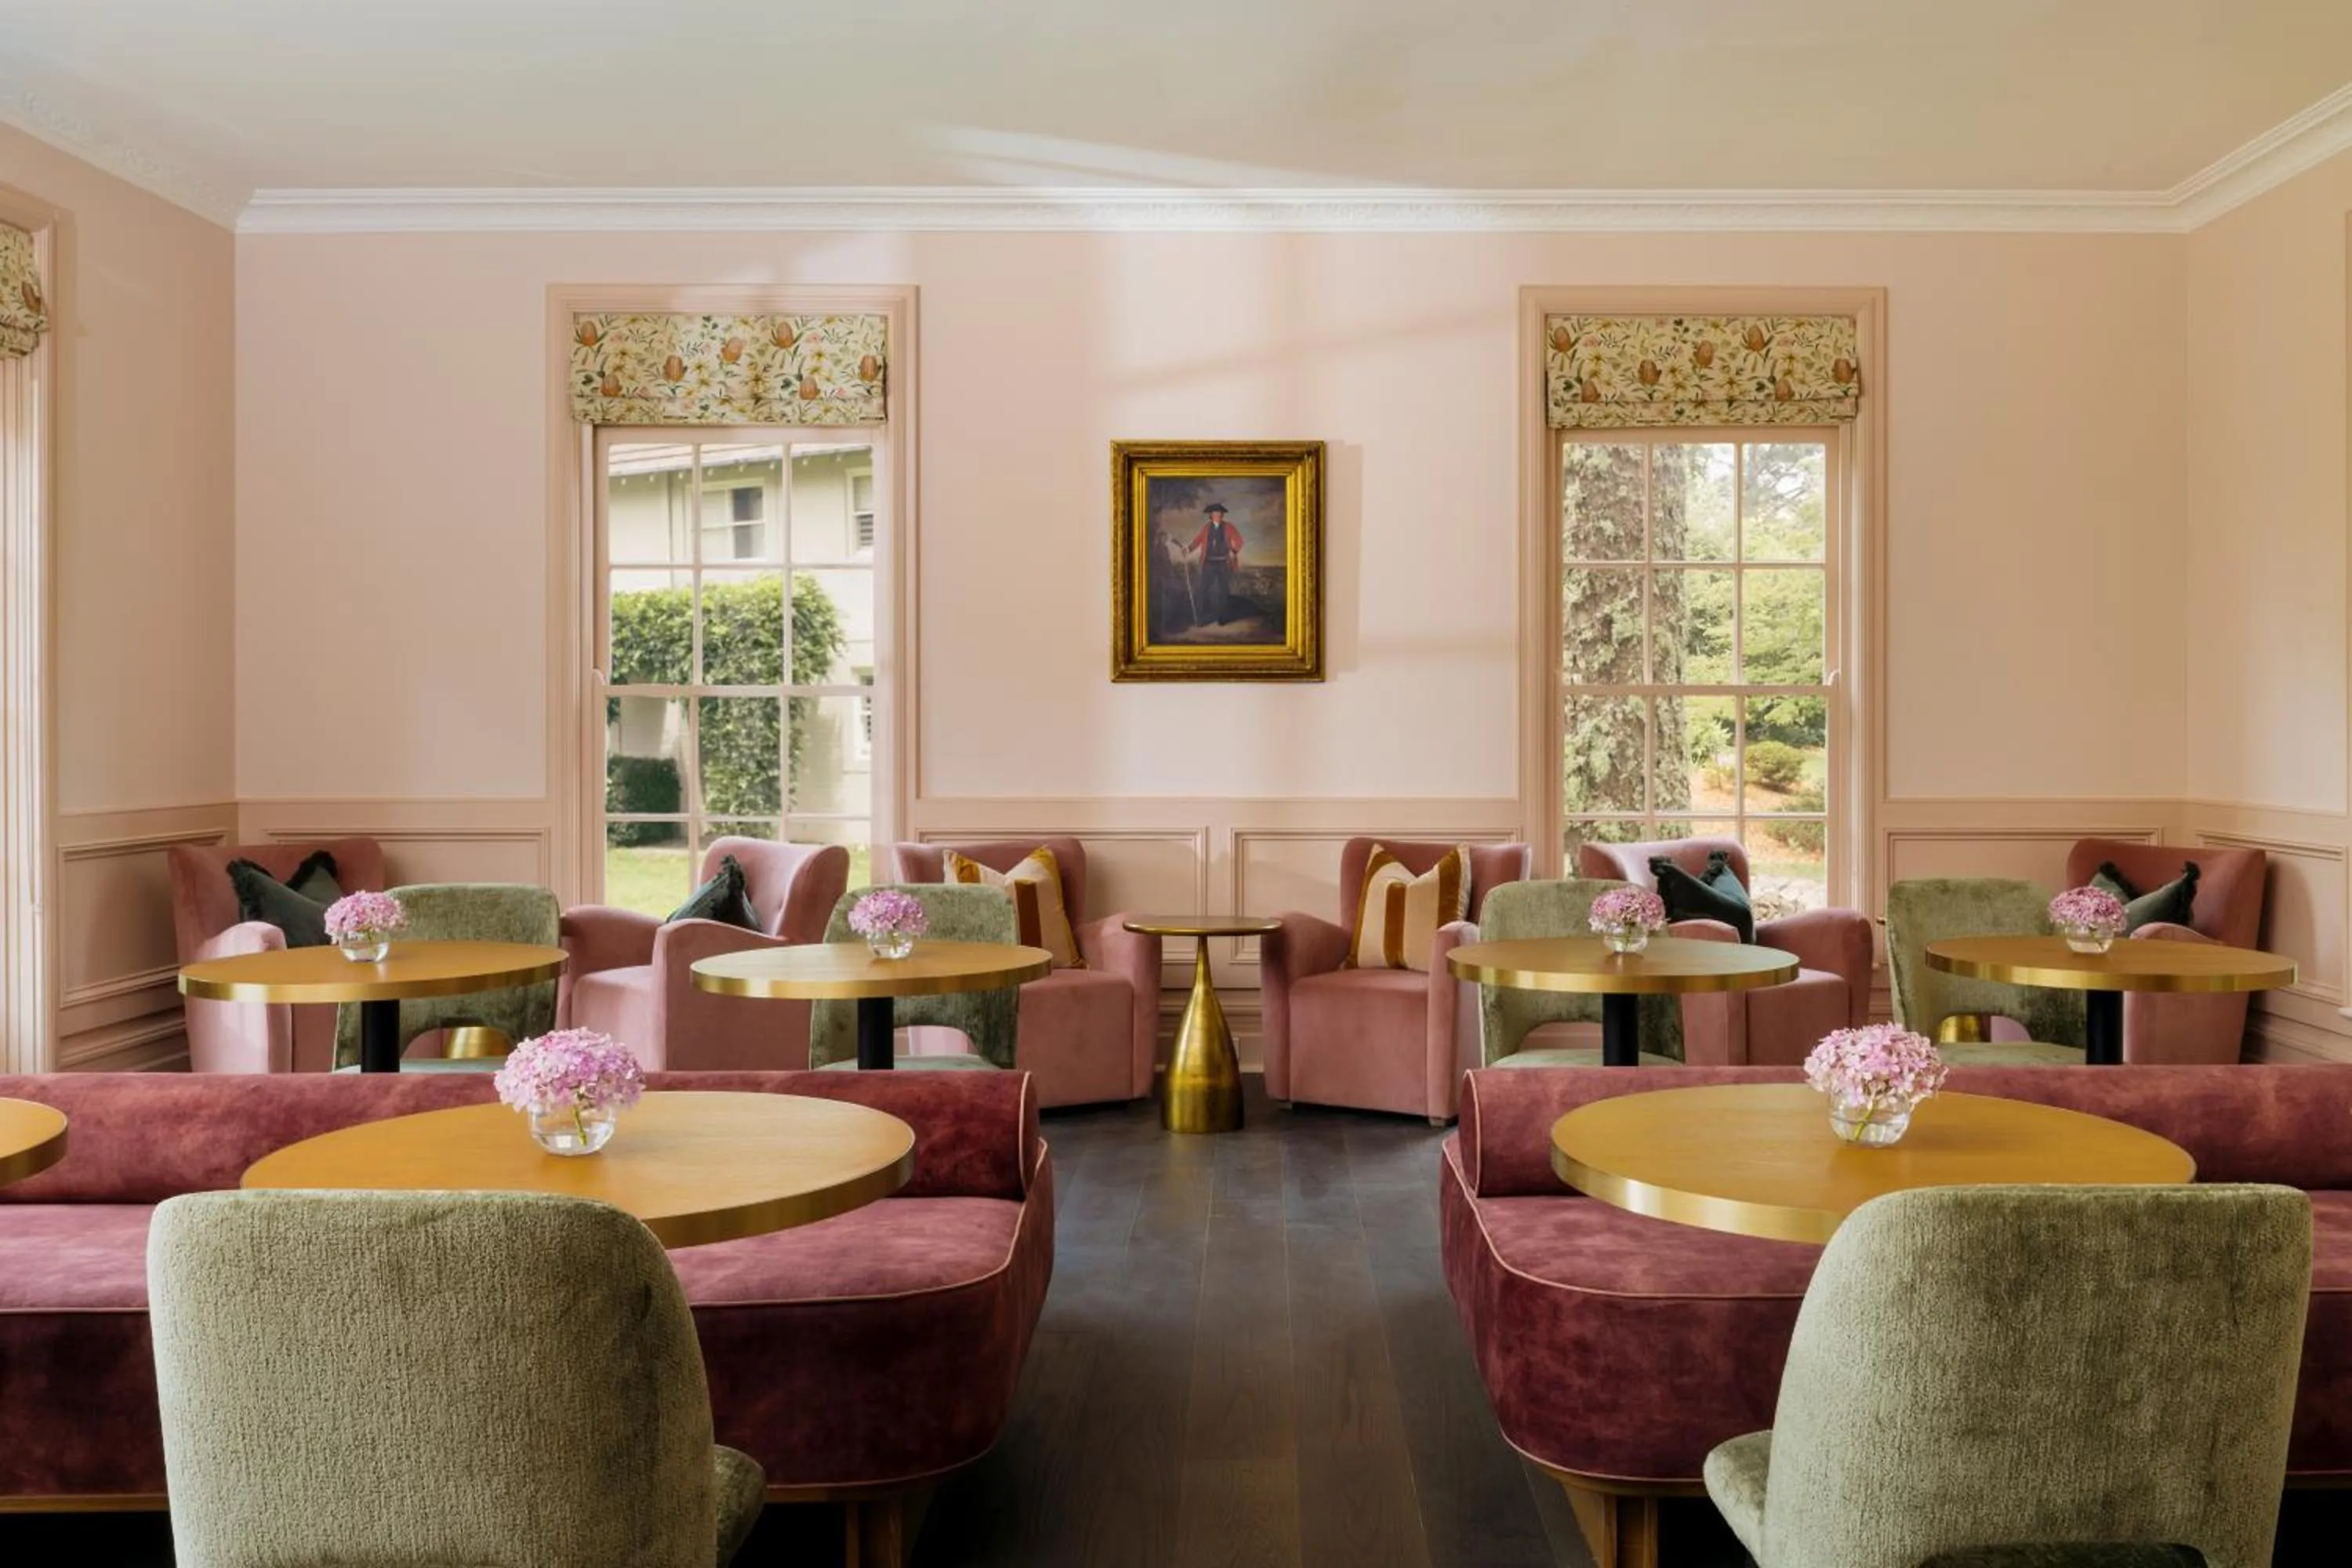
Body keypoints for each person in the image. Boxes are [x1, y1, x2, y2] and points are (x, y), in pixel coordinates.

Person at [1187, 502, 1243, 626]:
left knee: (1223, 590)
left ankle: (1223, 618)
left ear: (1222, 515)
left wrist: (1234, 551)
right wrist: (1188, 549)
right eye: (1214, 513)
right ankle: (1202, 618)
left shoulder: (1229, 527)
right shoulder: (1207, 528)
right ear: (1210, 515)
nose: (1217, 515)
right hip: (1208, 563)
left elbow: (1239, 540)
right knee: (1203, 589)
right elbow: (1197, 540)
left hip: (1223, 562)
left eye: (1219, 513)